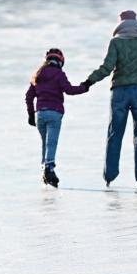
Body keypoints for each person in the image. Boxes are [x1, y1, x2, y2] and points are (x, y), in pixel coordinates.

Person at [83, 10, 137, 187]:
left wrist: (89, 81)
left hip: (119, 93)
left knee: (114, 133)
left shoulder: (115, 42)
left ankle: (110, 175)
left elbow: (107, 67)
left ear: (120, 23)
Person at [25, 48, 88, 187]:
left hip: (39, 114)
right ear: (61, 61)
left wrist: (31, 115)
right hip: (55, 113)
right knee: (51, 143)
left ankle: (44, 171)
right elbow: (69, 90)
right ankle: (49, 169)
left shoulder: (38, 74)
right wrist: (85, 87)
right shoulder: (59, 74)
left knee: (45, 143)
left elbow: (29, 96)